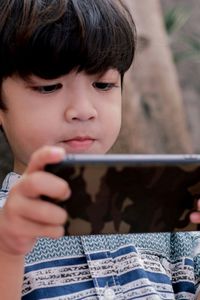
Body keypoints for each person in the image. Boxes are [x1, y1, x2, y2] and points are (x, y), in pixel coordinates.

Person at [0, 0, 200, 299]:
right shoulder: (7, 225)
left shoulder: (171, 215)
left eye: (104, 85)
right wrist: (8, 249)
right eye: (49, 87)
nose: (83, 110)